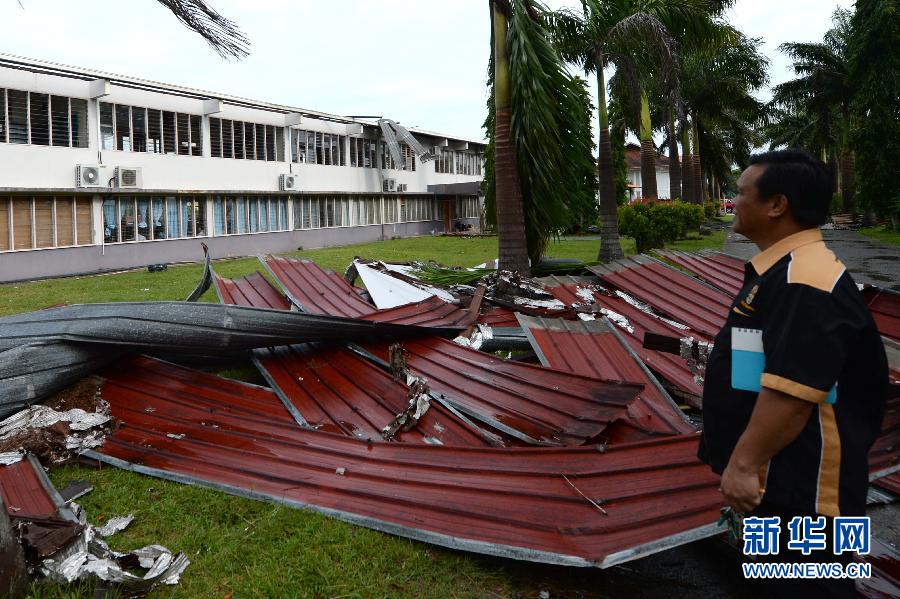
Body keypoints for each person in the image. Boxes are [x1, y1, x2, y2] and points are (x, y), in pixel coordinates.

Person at [698, 150, 889, 598]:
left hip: (808, 495)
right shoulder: (780, 273)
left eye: (742, 193)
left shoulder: (806, 280)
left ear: (777, 205)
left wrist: (743, 465)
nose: (734, 201)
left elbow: (792, 392)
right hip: (781, 484)